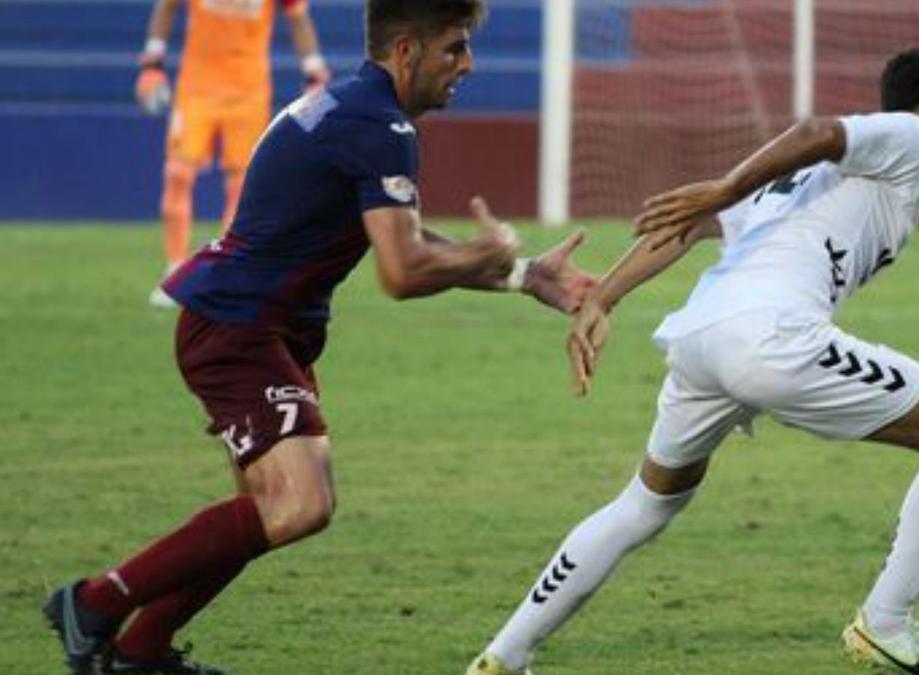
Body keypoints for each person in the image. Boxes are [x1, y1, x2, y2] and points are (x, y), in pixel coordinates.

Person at [44, 2, 595, 674]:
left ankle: (138, 650)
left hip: (253, 327)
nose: (467, 65)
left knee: (265, 507)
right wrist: (490, 250)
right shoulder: (379, 124)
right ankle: (94, 601)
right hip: (239, 328)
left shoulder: (350, 105)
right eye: (453, 48)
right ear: (406, 51)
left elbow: (407, 240)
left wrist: (521, 272)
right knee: (301, 503)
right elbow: (402, 271)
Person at [467, 47, 919, 675]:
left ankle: (505, 656)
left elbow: (688, 226)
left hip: (701, 339)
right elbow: (815, 132)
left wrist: (603, 299)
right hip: (771, 337)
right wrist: (724, 187)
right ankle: (887, 624)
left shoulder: (805, 181)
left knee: (644, 504)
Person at [136, 0, 332, 308]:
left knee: (240, 188)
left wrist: (314, 71)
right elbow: (167, 6)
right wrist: (152, 63)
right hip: (196, 89)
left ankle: (224, 275)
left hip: (249, 92)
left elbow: (298, 17)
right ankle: (174, 271)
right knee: (177, 173)